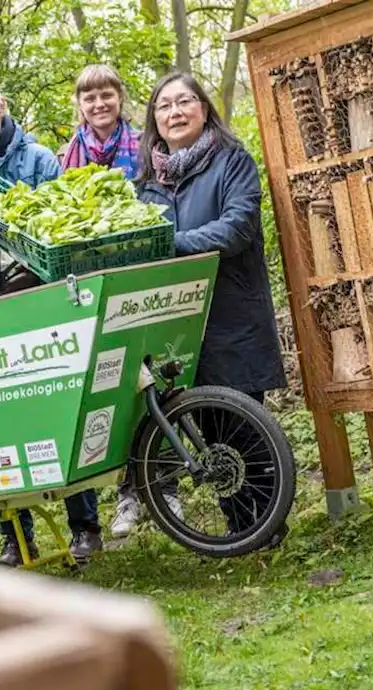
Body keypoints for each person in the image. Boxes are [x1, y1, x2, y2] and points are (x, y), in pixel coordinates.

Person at [118, 73, 288, 542]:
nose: (175, 113)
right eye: (164, 106)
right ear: (155, 120)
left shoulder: (232, 162)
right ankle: (241, 530)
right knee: (210, 435)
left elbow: (236, 229)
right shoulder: (147, 184)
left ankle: (267, 526)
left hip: (231, 317)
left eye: (185, 102)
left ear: (204, 108)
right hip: (180, 326)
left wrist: (168, 245)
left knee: (245, 427)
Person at [0, 72, 104, 566]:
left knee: (58, 412)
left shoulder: (38, 161)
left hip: (40, 306)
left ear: (2, 106)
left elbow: (58, 238)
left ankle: (85, 526)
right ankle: (17, 535)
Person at [57, 64, 140, 176]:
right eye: (90, 99)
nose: (99, 104)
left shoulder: (146, 146)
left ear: (120, 97)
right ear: (80, 105)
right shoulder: (64, 155)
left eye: (106, 96)